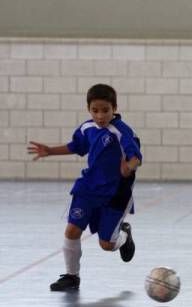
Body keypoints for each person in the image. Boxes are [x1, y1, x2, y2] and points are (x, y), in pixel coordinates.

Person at [27, 83, 142, 291]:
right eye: (95, 110)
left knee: (107, 244)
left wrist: (129, 167)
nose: (100, 116)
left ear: (114, 108)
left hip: (115, 193)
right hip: (88, 189)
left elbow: (135, 157)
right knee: (72, 230)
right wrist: (50, 151)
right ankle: (72, 277)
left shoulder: (121, 131)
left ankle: (123, 237)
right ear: (89, 109)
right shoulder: (87, 128)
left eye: (105, 110)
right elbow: (76, 146)